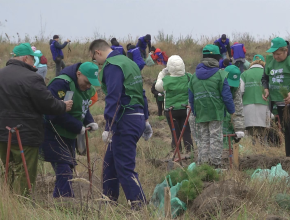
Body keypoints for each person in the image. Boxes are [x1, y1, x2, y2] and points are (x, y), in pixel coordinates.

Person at [0, 43, 73, 195]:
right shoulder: (32, 78)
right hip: (25, 134)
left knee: (6, 171)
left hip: (2, 133)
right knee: (24, 173)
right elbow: (47, 104)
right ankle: (22, 206)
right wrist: (62, 105)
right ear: (26, 58)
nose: (35, 63)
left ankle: (6, 203)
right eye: (34, 59)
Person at [89, 39, 153, 207]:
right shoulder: (129, 63)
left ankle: (139, 206)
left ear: (98, 52)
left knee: (124, 166)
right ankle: (108, 202)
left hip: (125, 120)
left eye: (95, 60)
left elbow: (114, 96)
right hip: (136, 117)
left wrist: (109, 125)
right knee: (110, 163)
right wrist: (145, 118)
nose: (98, 64)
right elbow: (141, 92)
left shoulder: (113, 65)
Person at [39, 62, 99, 198]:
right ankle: (66, 201)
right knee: (64, 167)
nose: (88, 86)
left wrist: (89, 121)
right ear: (78, 74)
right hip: (52, 132)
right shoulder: (61, 84)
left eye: (91, 83)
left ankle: (60, 199)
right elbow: (52, 112)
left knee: (68, 167)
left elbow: (84, 106)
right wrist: (78, 126)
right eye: (87, 82)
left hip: (70, 134)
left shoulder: (87, 88)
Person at [188, 44, 235, 168]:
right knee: (215, 137)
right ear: (216, 58)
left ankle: (203, 165)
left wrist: (195, 111)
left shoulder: (193, 77)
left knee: (203, 138)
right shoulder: (220, 75)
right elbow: (226, 96)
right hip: (216, 112)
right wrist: (232, 111)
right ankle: (215, 164)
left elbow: (191, 98)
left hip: (201, 112)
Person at [155, 55, 193, 153]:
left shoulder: (167, 80)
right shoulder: (189, 77)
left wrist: (162, 73)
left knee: (175, 132)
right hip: (185, 109)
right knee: (186, 131)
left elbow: (157, 87)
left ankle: (176, 152)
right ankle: (190, 152)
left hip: (171, 110)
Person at [262, 37, 290, 156]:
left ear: (286, 51)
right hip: (278, 103)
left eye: (278, 54)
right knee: (286, 130)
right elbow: (265, 78)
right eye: (274, 54)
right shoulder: (270, 61)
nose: (275, 57)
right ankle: (288, 157)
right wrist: (266, 88)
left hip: (288, 102)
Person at [240, 55, 270, 143]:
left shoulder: (244, 74)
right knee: (264, 131)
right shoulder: (266, 73)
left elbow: (241, 91)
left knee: (251, 132)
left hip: (248, 106)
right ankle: (263, 148)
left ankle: (253, 148)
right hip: (264, 105)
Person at [223, 65, 245, 148]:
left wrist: (239, 128)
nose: (231, 86)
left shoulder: (237, 86)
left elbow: (238, 105)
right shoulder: (217, 82)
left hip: (229, 112)